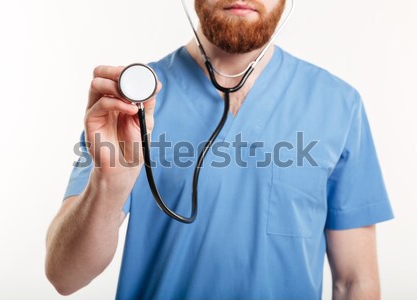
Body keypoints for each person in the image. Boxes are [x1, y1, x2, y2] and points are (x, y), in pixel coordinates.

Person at [45, 0, 394, 299]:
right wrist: (110, 184)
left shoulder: (337, 105)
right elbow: (65, 275)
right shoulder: (128, 108)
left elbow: (355, 283)